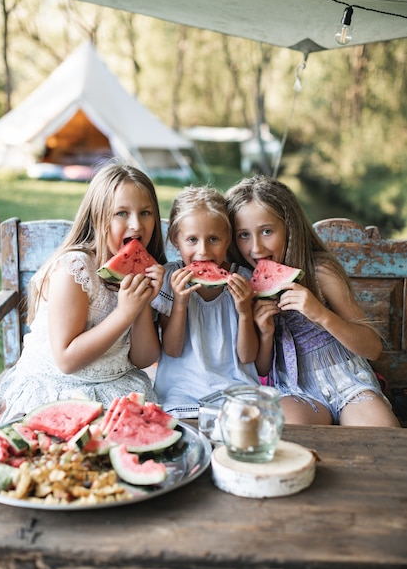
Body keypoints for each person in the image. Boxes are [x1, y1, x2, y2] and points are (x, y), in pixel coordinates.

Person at [226, 175, 400, 427]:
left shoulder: (320, 271)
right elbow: (263, 369)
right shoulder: (245, 284)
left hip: (348, 382)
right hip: (294, 389)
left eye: (266, 231)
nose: (255, 247)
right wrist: (265, 332)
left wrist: (321, 314)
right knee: (284, 432)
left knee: (384, 440)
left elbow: (372, 348)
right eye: (243, 235)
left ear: (290, 227)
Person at [0, 161, 166, 422]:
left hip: (114, 385)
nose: (136, 224)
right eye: (121, 213)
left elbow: (144, 358)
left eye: (145, 213)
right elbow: (66, 361)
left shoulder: (143, 269)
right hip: (54, 390)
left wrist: (141, 304)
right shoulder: (74, 269)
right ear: (97, 217)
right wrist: (124, 313)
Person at [152, 185, 261, 418]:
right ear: (174, 238)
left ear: (228, 239)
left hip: (236, 390)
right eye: (192, 239)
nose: (203, 251)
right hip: (181, 390)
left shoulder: (244, 280)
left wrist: (244, 312)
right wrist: (180, 304)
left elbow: (247, 356)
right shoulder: (169, 279)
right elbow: (171, 350)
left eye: (213, 239)